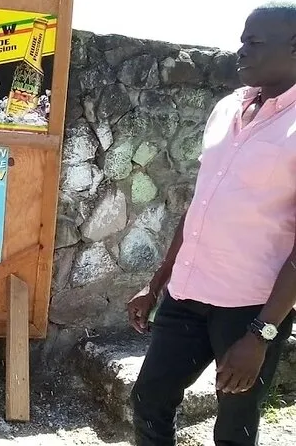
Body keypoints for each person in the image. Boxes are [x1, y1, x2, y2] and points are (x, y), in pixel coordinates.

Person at [126, 3, 296, 445]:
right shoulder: (228, 107)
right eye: (241, 40)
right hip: (187, 293)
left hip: (249, 308)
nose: (241, 51)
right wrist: (157, 282)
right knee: (148, 400)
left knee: (234, 428)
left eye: (254, 42)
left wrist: (261, 334)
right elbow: (202, 204)